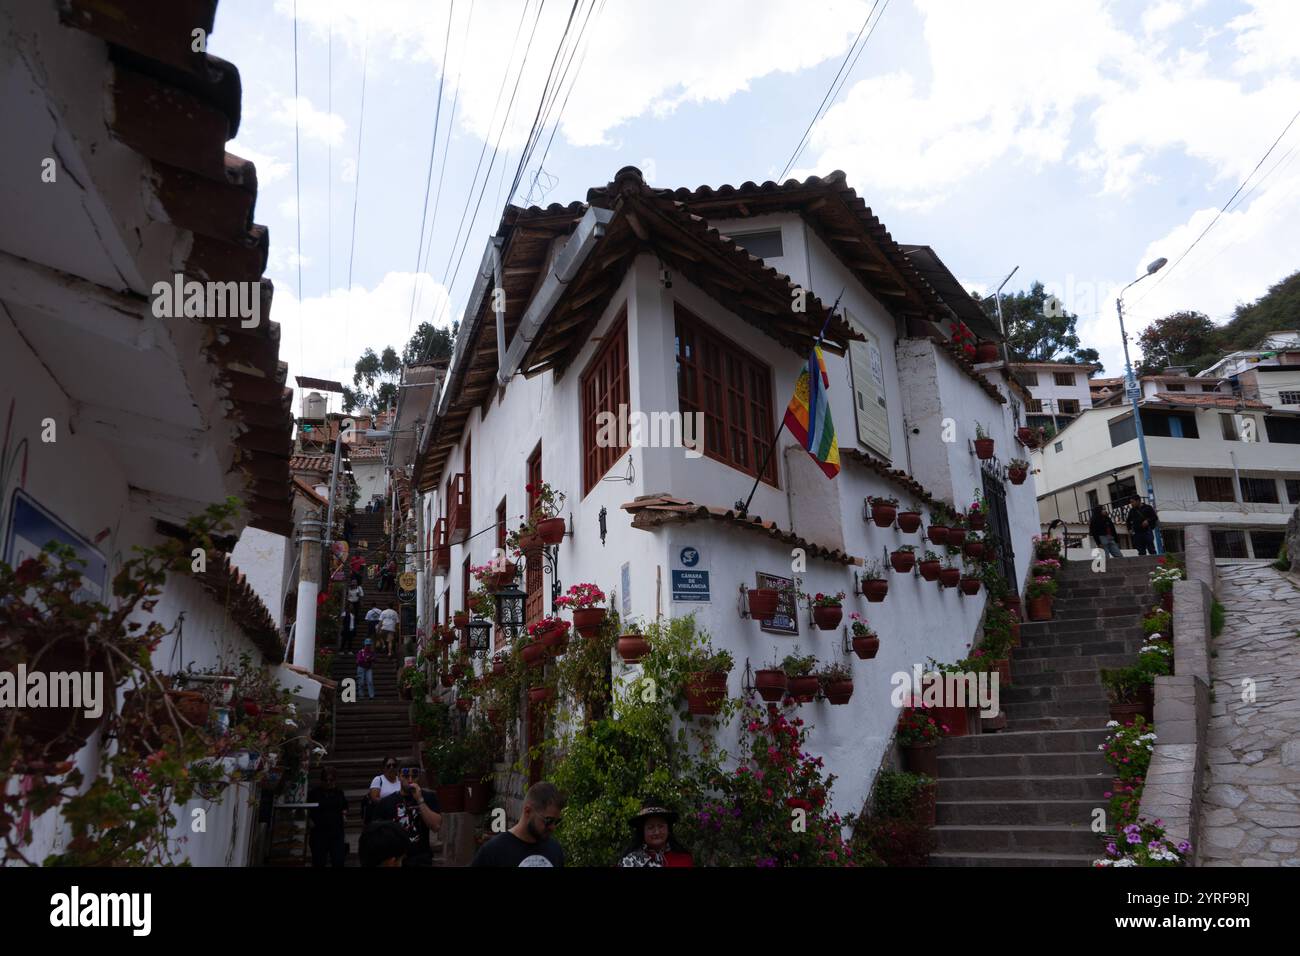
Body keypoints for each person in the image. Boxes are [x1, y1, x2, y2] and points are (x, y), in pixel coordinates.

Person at [471, 781, 566, 867]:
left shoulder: (555, 850)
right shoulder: (493, 852)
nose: (553, 827)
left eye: (557, 822)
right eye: (548, 820)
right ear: (528, 811)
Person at [374, 764, 442, 866]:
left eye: (414, 776)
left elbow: (436, 826)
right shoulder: (387, 802)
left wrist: (420, 800)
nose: (410, 780)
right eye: (405, 776)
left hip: (421, 858)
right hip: (396, 859)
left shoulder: (428, 797)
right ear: (399, 776)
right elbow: (377, 834)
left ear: (419, 776)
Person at [617, 799, 693, 867]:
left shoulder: (684, 859)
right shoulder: (629, 861)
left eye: (661, 826)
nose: (657, 832)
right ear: (642, 831)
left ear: (668, 829)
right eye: (650, 827)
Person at [307, 766, 348, 867]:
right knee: (319, 861)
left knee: (338, 860)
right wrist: (309, 820)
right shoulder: (314, 793)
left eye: (331, 780)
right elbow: (307, 808)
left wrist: (344, 814)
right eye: (326, 780)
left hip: (336, 831)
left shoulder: (339, 792)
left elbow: (344, 806)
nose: (328, 783)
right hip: (319, 832)